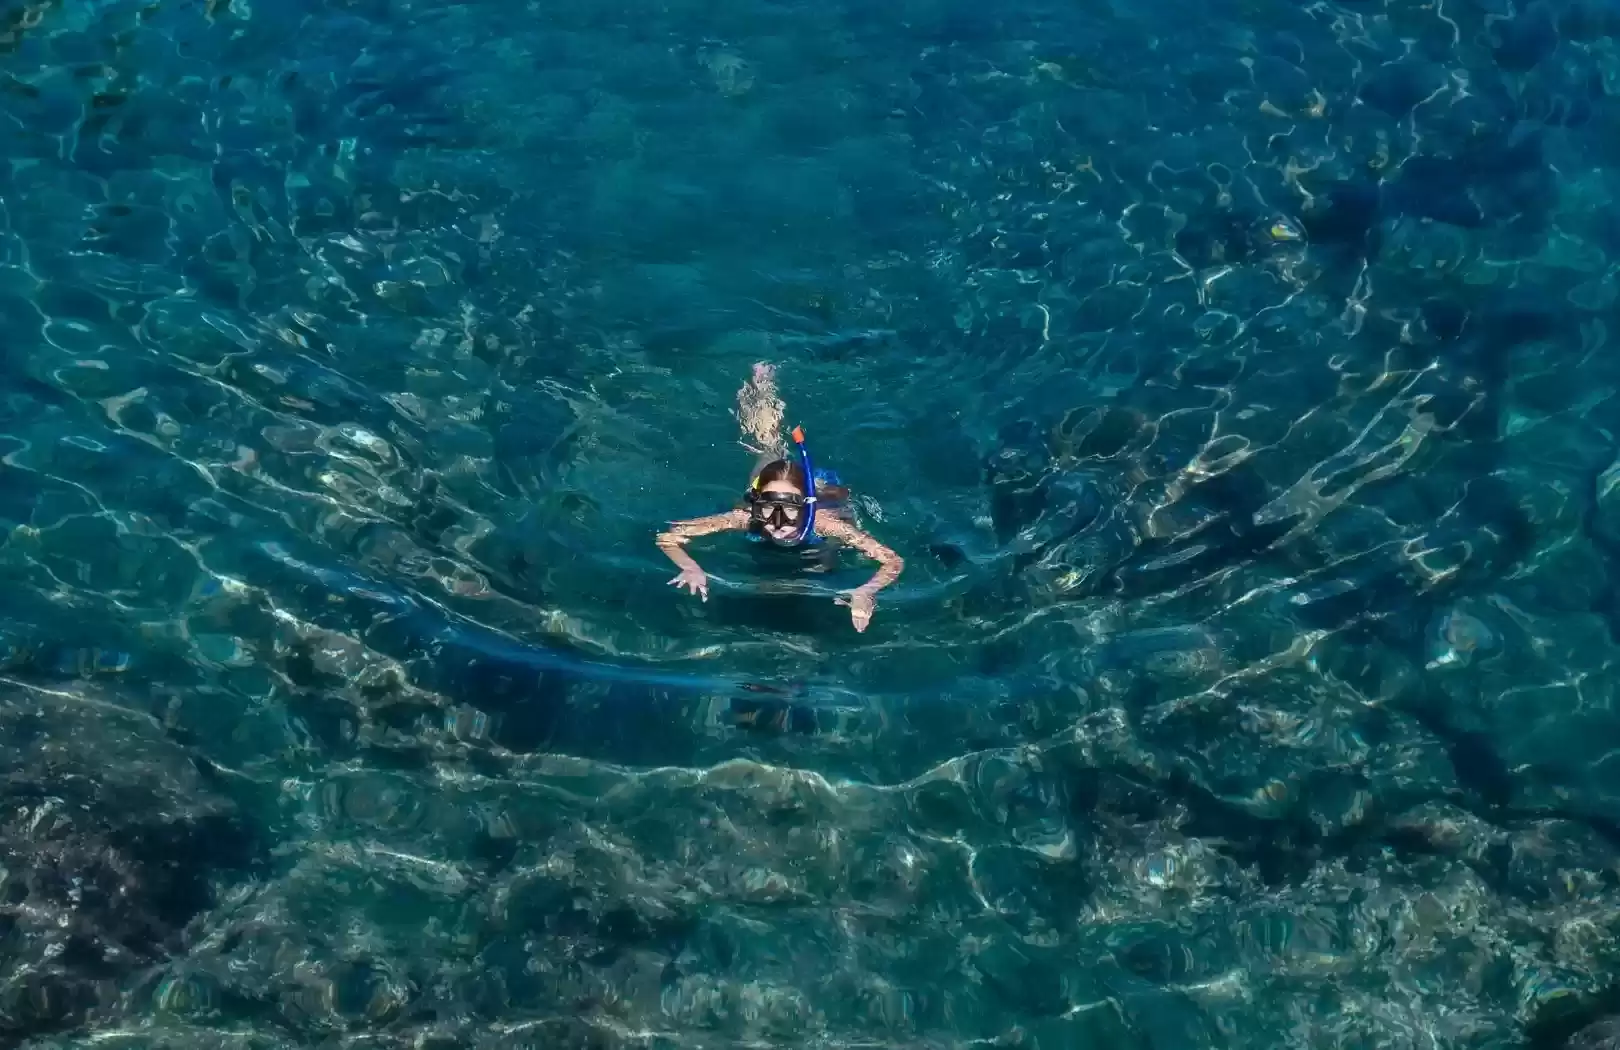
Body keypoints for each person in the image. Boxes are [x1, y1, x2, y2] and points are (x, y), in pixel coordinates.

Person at [655, 363, 904, 633]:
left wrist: (866, 591)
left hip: (821, 499)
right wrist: (691, 567)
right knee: (767, 451)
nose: (776, 523)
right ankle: (762, 389)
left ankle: (783, 444)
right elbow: (668, 537)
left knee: (825, 558)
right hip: (774, 487)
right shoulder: (748, 518)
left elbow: (892, 560)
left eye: (789, 512)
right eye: (767, 510)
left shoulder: (826, 523)